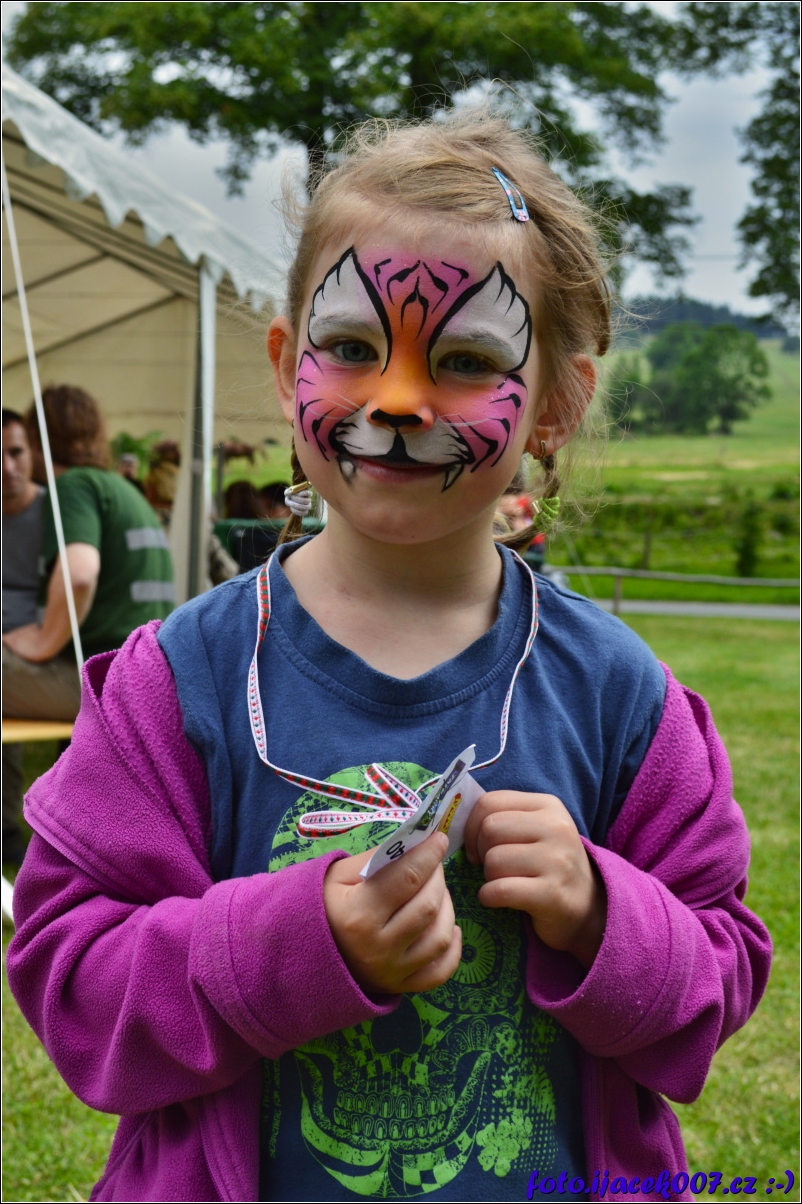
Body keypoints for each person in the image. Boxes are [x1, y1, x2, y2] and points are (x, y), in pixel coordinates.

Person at [7, 113, 770, 1204]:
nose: (398, 402)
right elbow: (71, 984)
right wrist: (297, 942)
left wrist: (602, 910)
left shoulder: (619, 695)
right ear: (287, 365)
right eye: (354, 349)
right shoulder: (175, 684)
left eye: (465, 361)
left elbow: (721, 968)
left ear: (556, 404)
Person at [2, 385, 175, 703]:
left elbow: (79, 575)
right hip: (144, 676)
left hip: (100, 681)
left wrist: (42, 643)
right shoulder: (121, 490)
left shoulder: (72, 486)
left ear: (37, 439)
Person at [2, 409, 46, 867]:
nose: (7, 467)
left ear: (32, 452)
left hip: (43, 649)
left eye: (15, 452)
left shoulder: (56, 513)